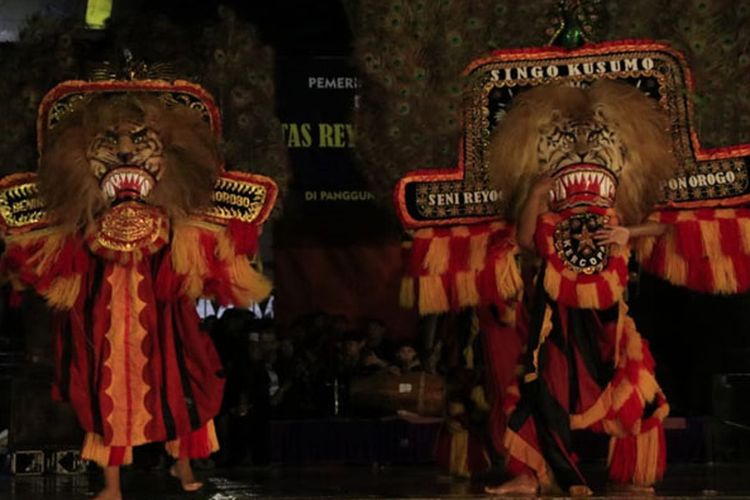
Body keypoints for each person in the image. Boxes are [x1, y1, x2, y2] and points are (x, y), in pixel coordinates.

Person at [0, 79, 275, 500]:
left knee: (182, 387)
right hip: (100, 320)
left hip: (163, 320)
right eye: (110, 141)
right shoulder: (77, 223)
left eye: (140, 140)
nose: (126, 151)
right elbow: (42, 258)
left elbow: (213, 256)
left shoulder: (177, 220)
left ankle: (183, 467)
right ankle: (111, 486)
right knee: (102, 395)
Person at [483, 81, 675, 496]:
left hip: (608, 325)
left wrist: (628, 232)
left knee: (631, 387)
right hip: (557, 324)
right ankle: (542, 475)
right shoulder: (551, 222)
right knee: (540, 394)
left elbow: (665, 227)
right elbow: (525, 239)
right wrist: (535, 194)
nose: (584, 150)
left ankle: (634, 471)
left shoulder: (614, 218)